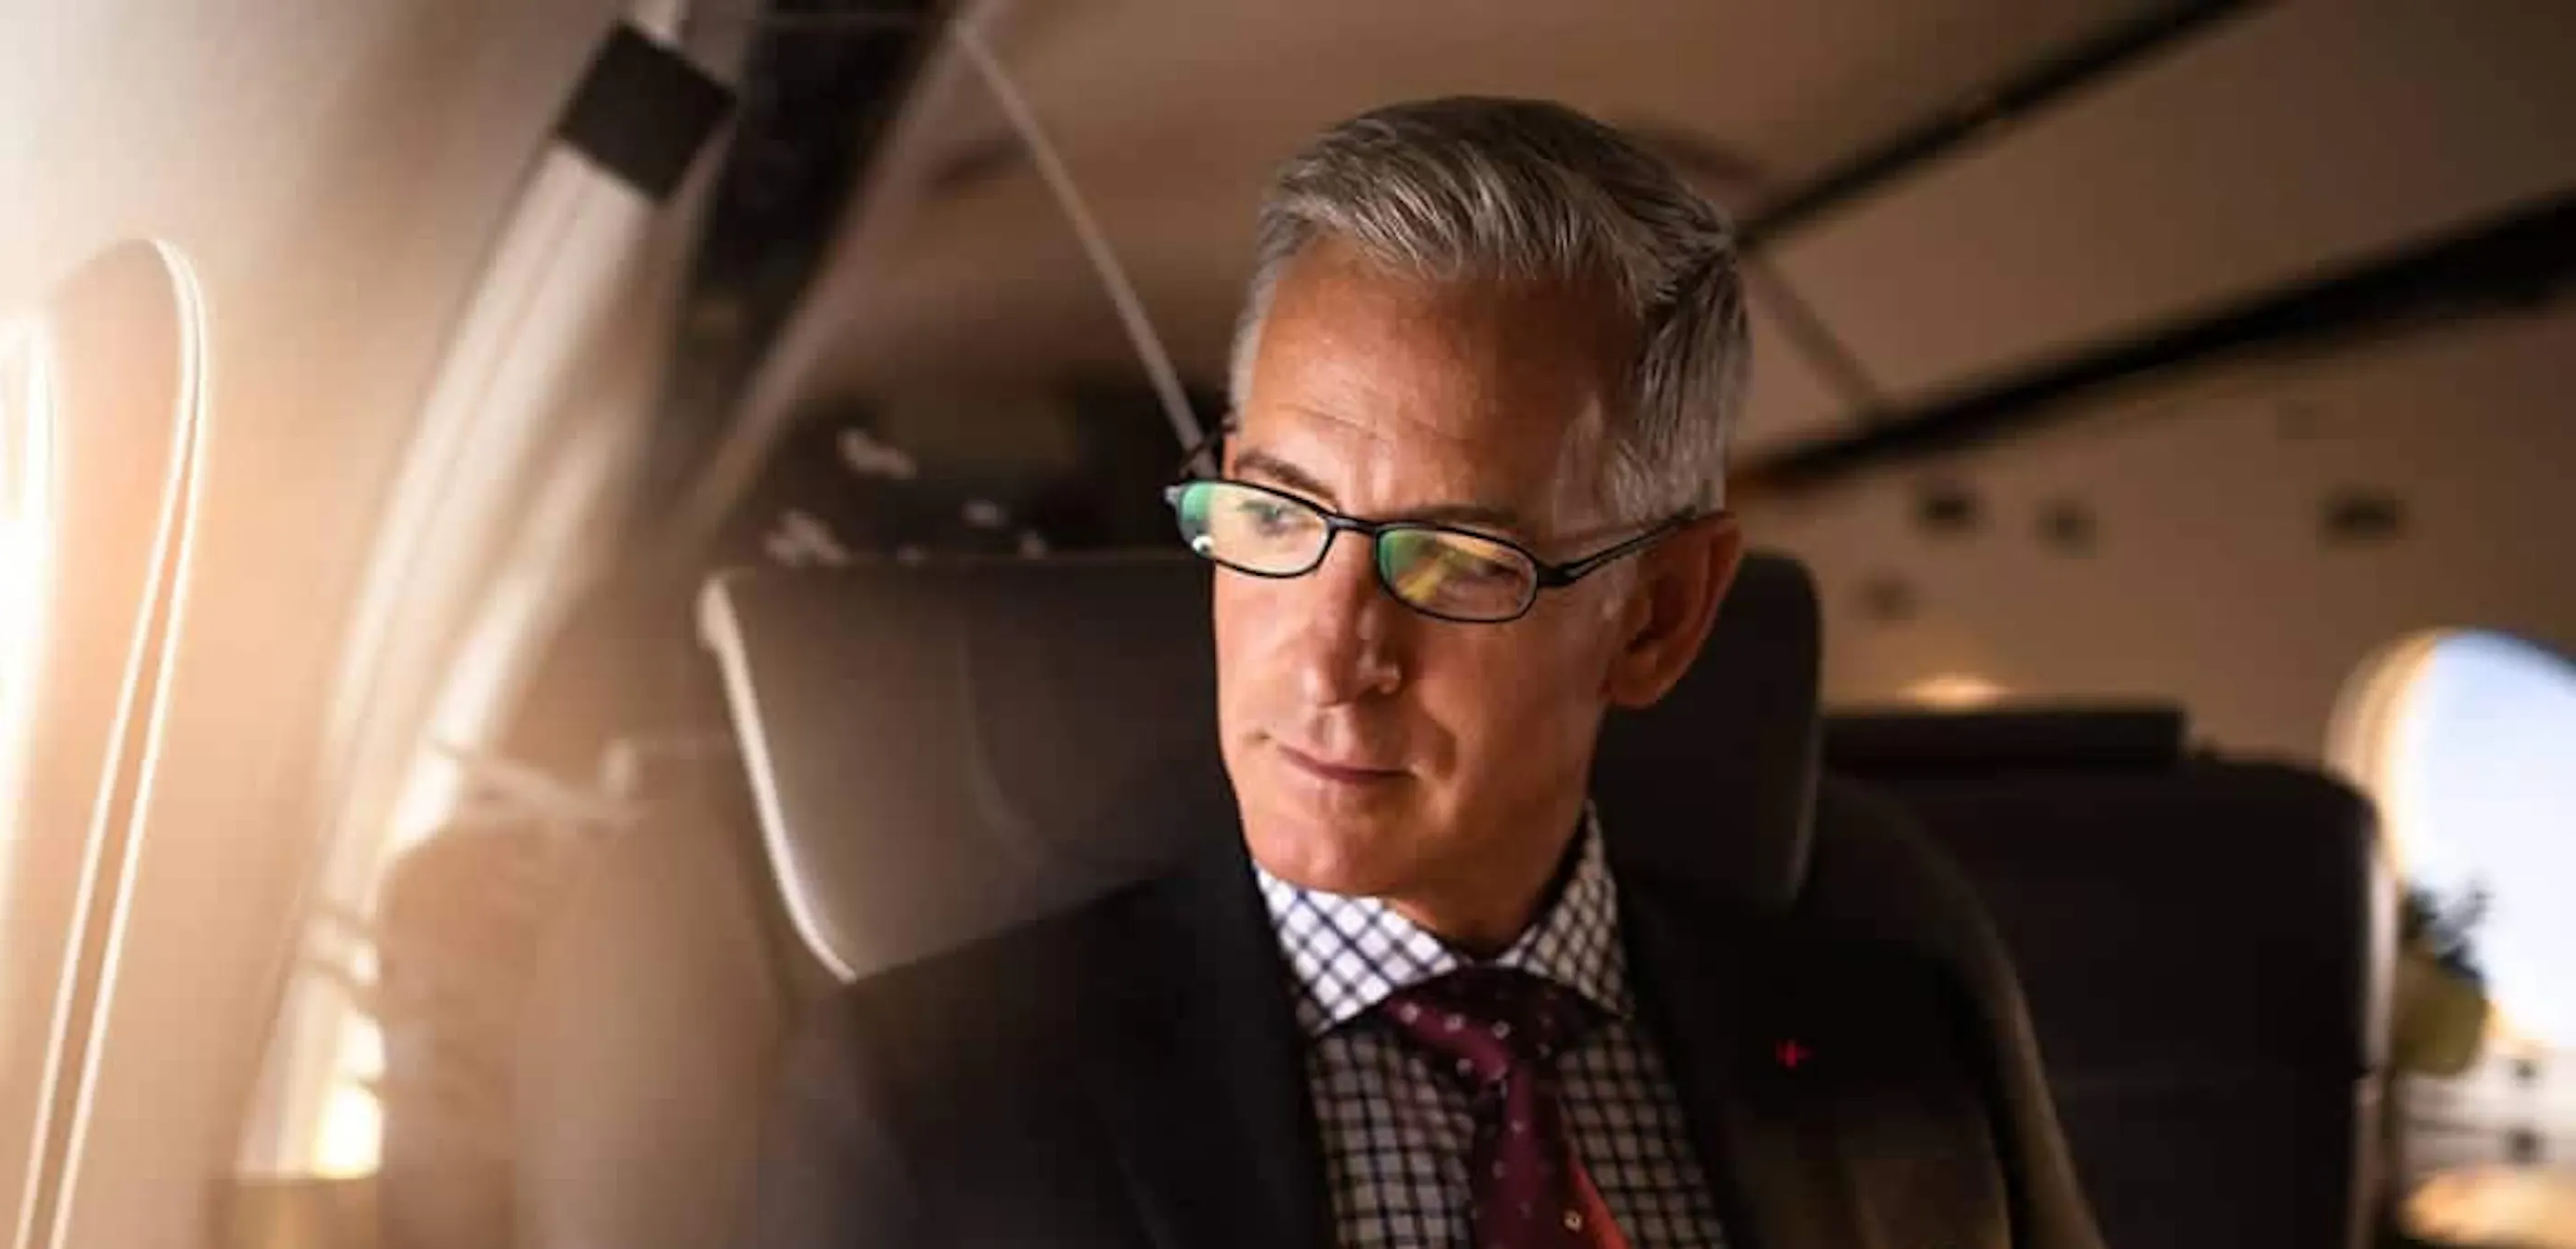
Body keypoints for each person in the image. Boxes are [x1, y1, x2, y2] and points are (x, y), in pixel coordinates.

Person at [746, 97, 2102, 1249]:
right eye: (1277, 515)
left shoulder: (1913, 1064)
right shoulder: (930, 1112)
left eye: (1452, 561)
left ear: (1658, 616)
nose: (1335, 657)